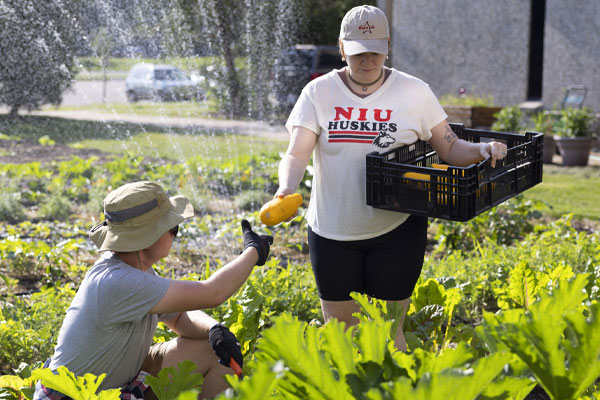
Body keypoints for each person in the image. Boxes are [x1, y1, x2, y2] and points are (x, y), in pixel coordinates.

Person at [275, 5, 507, 351]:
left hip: (397, 230)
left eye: (375, 52)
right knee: (342, 339)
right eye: (357, 53)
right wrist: (286, 189)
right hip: (331, 230)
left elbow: (450, 147)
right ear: (342, 49)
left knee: (387, 335)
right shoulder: (319, 93)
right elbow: (296, 153)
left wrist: (484, 149)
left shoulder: (414, 92)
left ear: (387, 47)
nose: (367, 61)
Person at [33, 181, 273, 400]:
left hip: (114, 382)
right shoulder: (119, 281)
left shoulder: (134, 270)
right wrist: (254, 251)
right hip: (75, 396)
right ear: (148, 236)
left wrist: (214, 329)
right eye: (173, 228)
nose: (174, 234)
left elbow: (178, 316)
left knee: (215, 352)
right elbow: (214, 292)